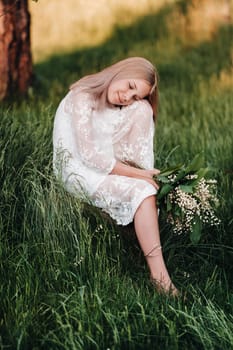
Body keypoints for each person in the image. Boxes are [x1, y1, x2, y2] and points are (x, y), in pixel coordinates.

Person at [53, 57, 178, 295]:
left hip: (105, 163)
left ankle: (144, 199)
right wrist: (140, 175)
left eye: (134, 95)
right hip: (78, 169)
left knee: (143, 109)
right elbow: (89, 156)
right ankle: (161, 278)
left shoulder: (119, 104)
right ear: (120, 71)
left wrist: (140, 172)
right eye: (130, 87)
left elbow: (106, 147)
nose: (126, 97)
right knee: (143, 189)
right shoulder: (83, 95)